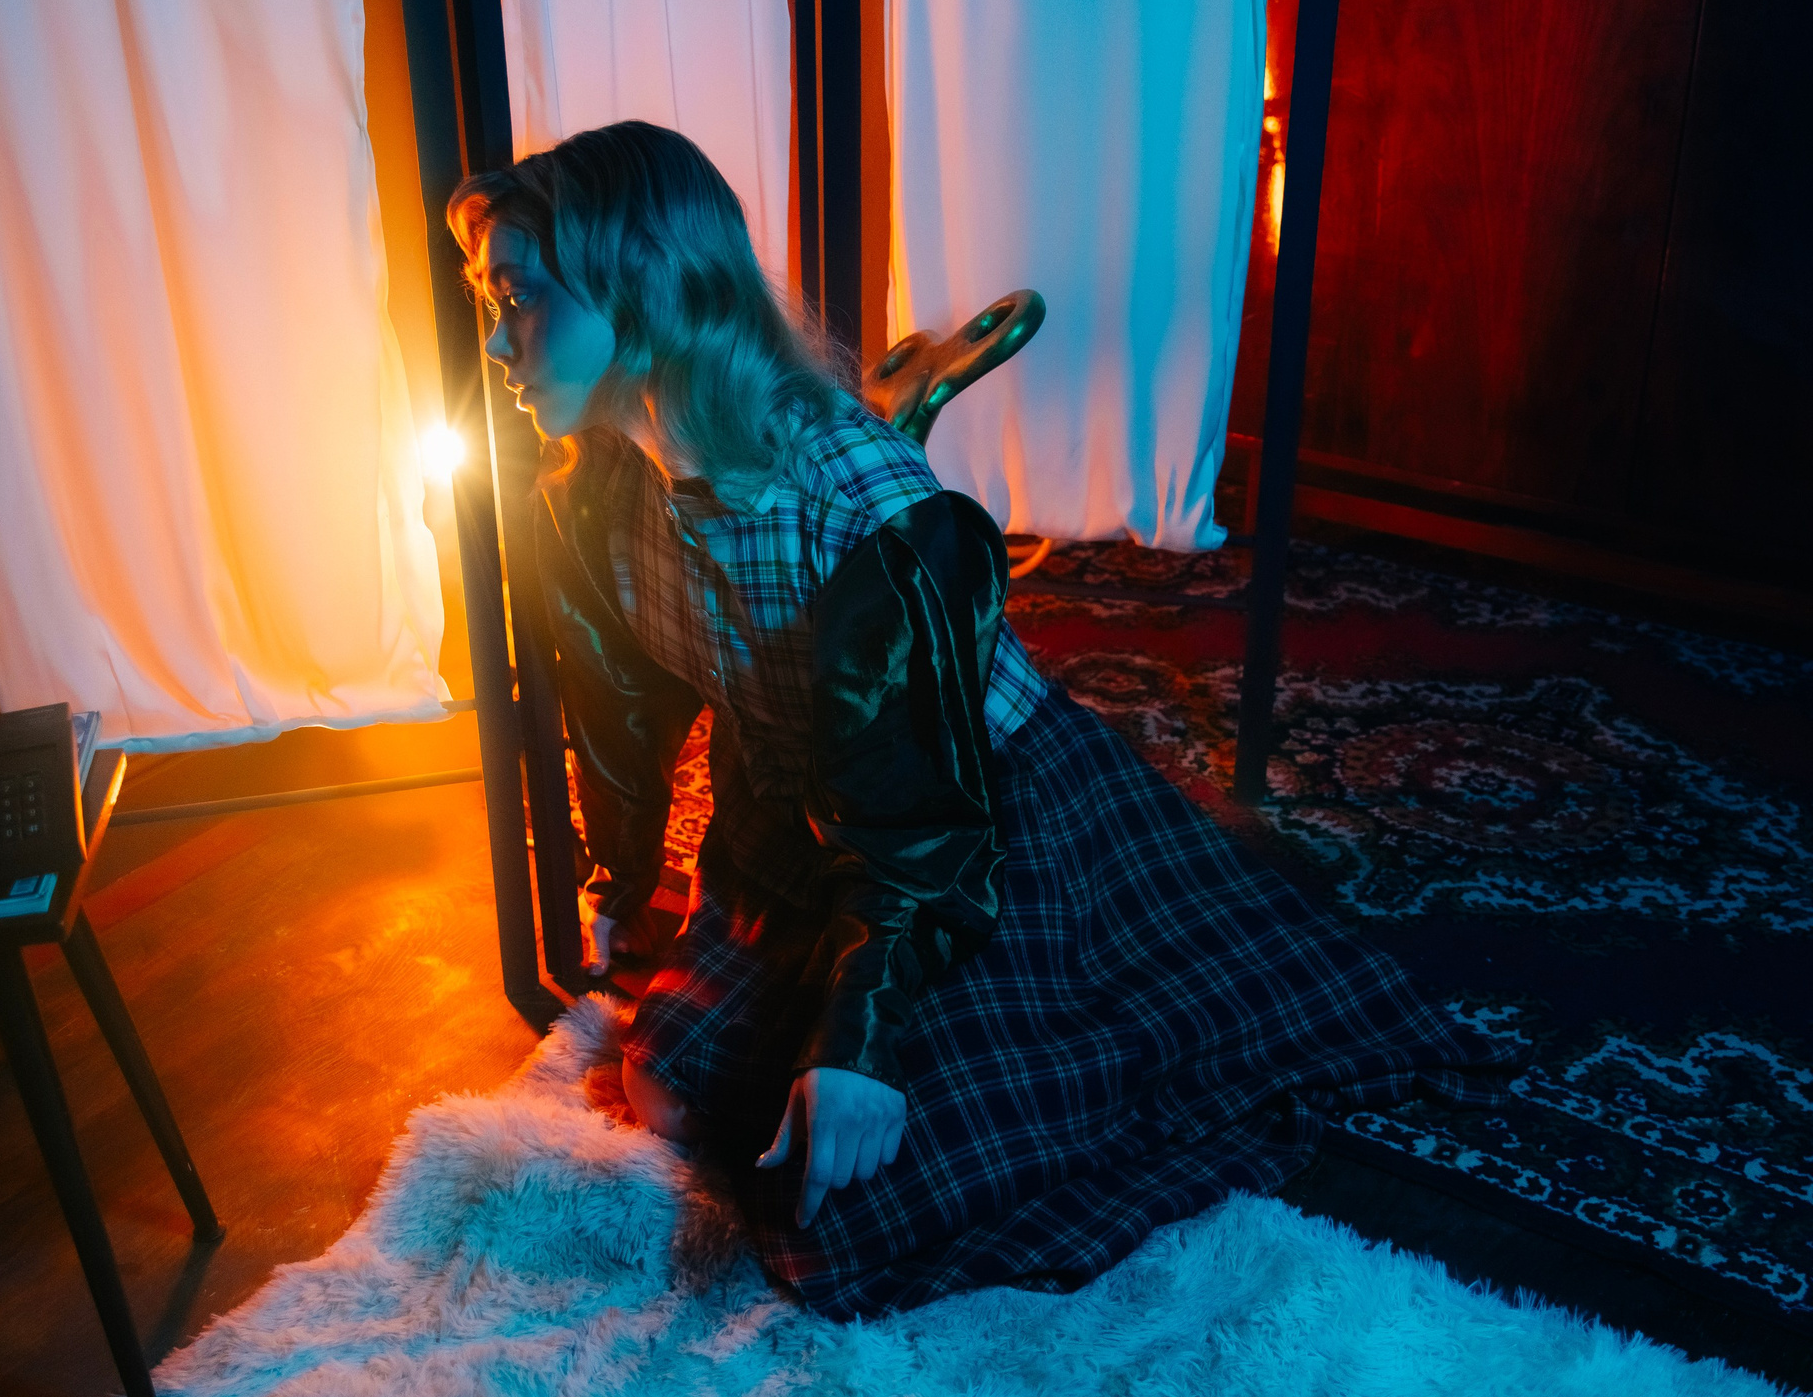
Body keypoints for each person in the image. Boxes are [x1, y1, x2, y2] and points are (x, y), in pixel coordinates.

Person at [451, 121, 1492, 1319]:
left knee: (841, 1224)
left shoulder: (868, 501)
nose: (498, 342)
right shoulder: (597, 486)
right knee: (669, 1090)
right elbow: (627, 714)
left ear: (641, 285)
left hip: (973, 830)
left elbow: (923, 817)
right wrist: (623, 881)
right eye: (492, 302)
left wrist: (860, 1047)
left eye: (520, 299)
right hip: (791, 825)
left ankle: (1095, 1021)